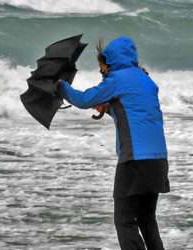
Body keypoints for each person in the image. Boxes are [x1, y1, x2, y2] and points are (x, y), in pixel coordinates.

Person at [58, 36, 170, 250]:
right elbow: (135, 113)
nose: (102, 73)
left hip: (135, 160)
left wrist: (60, 86)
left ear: (111, 62)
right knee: (147, 221)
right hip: (158, 161)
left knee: (124, 220)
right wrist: (108, 109)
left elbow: (82, 100)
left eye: (102, 68)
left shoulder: (117, 79)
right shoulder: (146, 80)